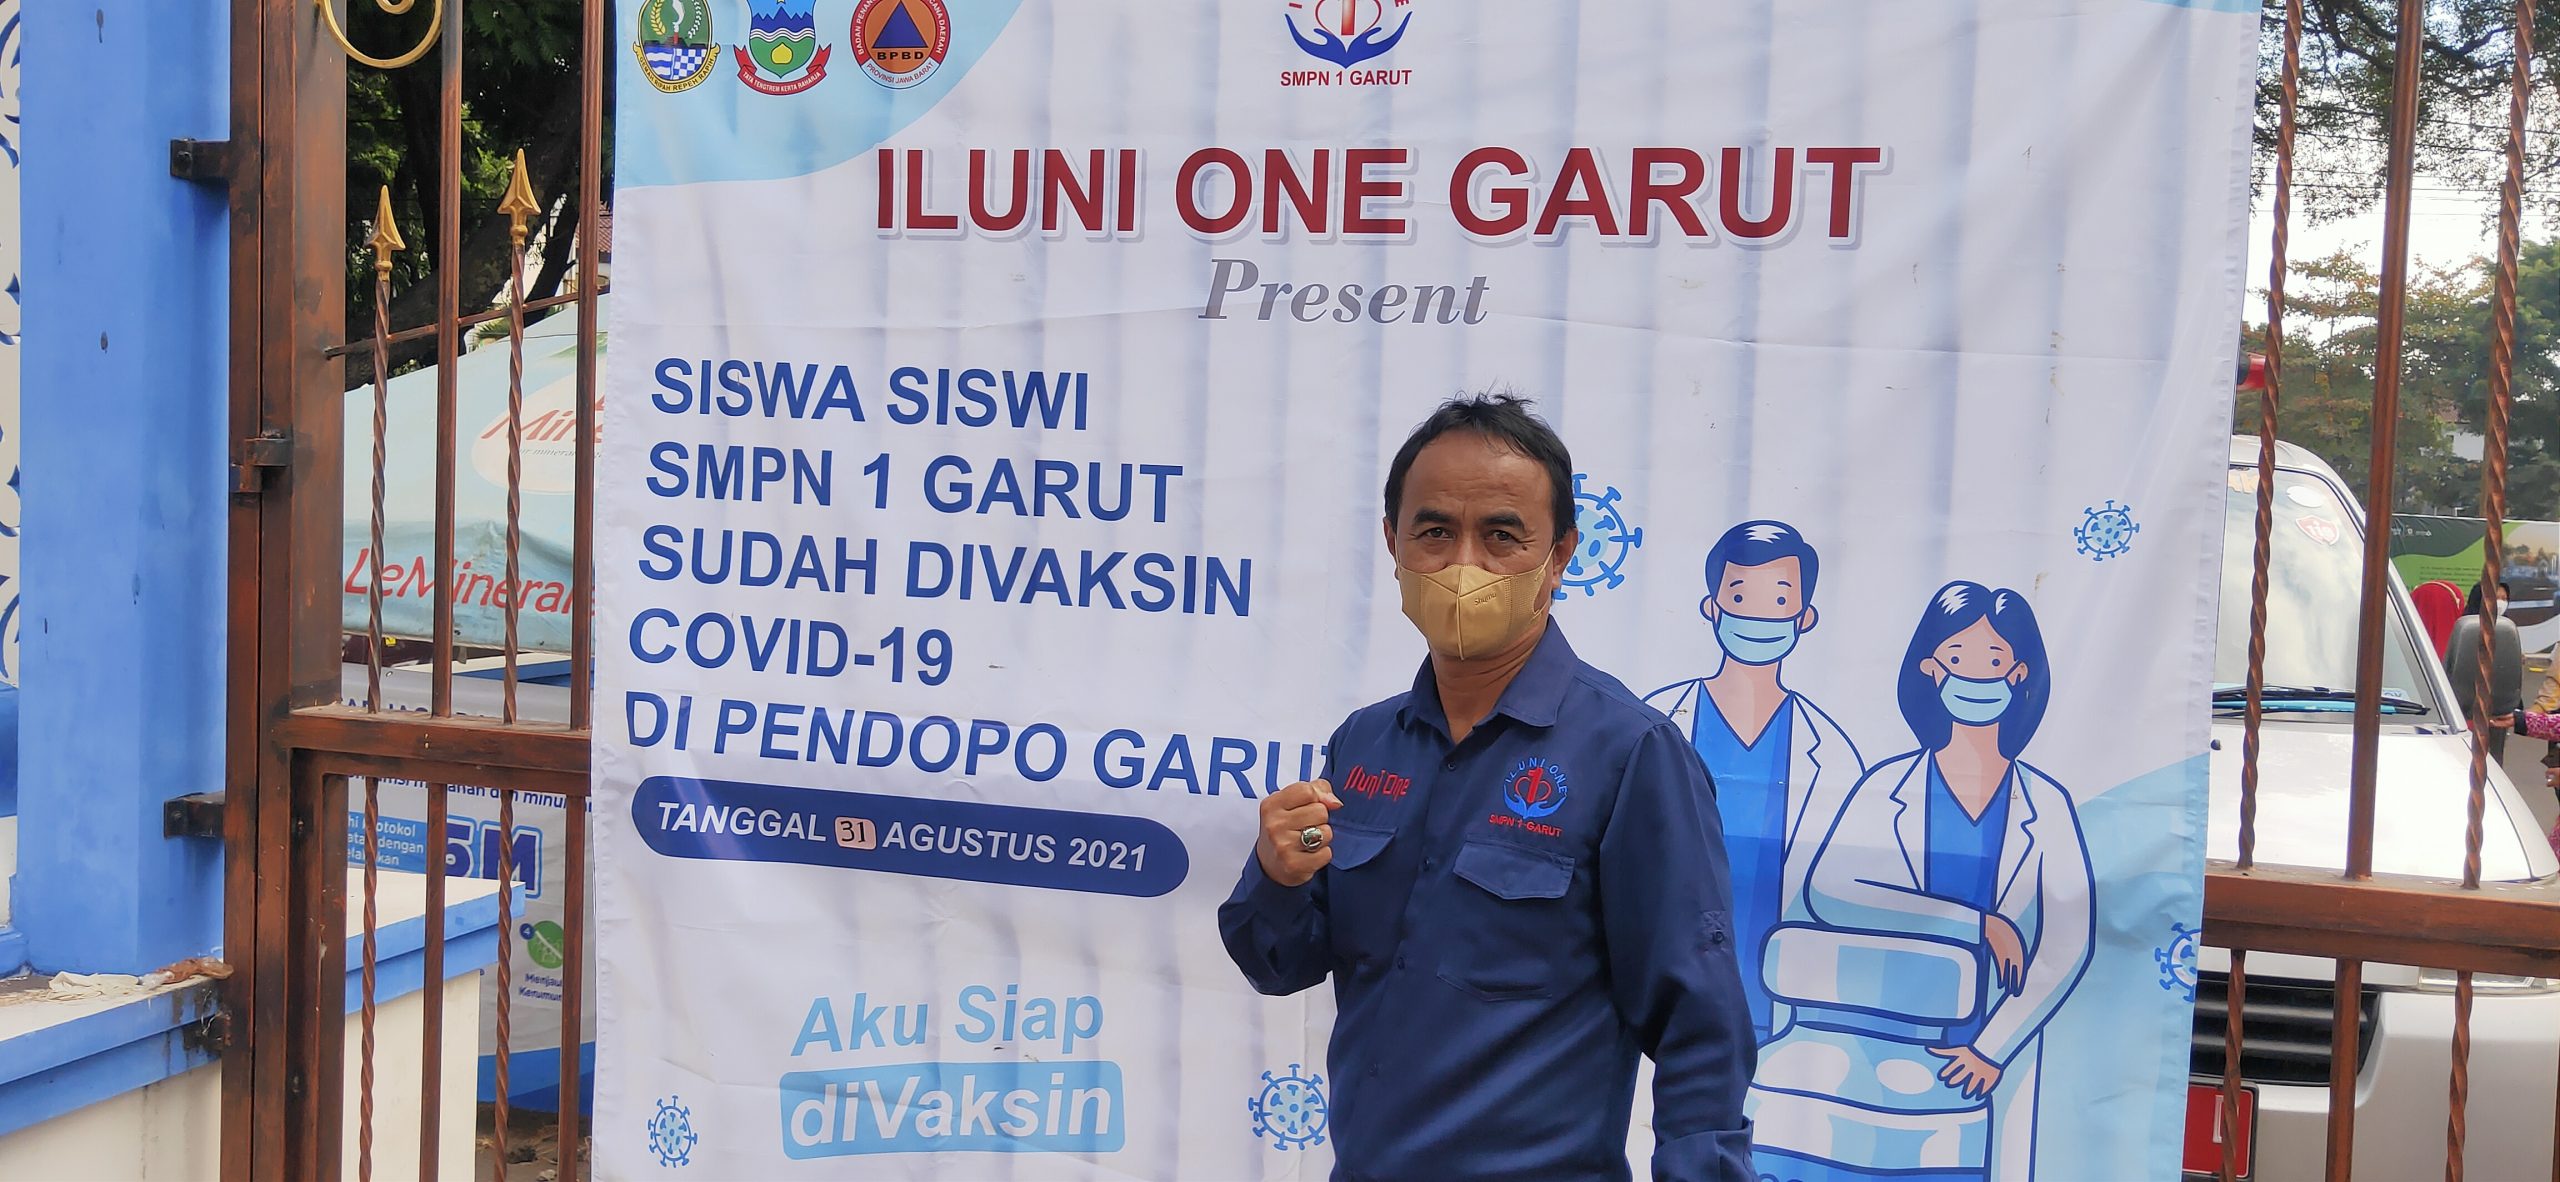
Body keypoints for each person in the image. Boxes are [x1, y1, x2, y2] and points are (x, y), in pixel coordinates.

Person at [1218, 394, 1755, 1181]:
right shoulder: (1364, 744)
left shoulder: (1631, 755)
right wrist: (1278, 877)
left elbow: (1700, 1025)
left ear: (1559, 556)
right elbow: (1277, 964)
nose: (1464, 563)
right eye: (1434, 531)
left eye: (1502, 535)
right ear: (1394, 544)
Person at [1748, 583, 2092, 1182]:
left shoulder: (2048, 804)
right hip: (1870, 1041)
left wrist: (1991, 1050)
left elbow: (2069, 941)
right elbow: (1829, 888)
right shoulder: (1887, 786)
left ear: (2019, 674)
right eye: (1958, 658)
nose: (1975, 676)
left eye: (1993, 660)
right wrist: (1976, 923)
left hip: (1988, 1048)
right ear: (1931, 668)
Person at [1645, 521, 1865, 1043]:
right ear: (1712, 607)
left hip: (1782, 999)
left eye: (1780, 601)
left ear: (1805, 617)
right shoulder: (1656, 720)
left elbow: (1842, 883)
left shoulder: (1831, 751)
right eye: (1740, 597)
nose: (1758, 618)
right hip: (1660, 982)